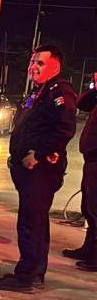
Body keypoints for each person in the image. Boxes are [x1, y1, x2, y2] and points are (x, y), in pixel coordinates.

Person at [0, 45, 77, 293]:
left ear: (55, 65)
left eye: (39, 63)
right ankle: (31, 272)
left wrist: (39, 154)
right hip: (27, 170)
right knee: (32, 220)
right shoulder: (40, 91)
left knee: (32, 222)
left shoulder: (60, 92)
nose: (33, 67)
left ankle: (28, 276)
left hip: (40, 171)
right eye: (32, 62)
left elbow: (65, 129)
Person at [65, 71, 97, 271]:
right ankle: (88, 247)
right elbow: (82, 102)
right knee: (88, 207)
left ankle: (95, 256)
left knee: (95, 209)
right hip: (91, 159)